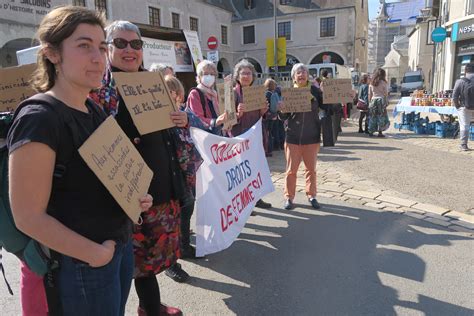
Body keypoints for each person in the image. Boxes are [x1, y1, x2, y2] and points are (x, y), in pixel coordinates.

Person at [7, 7, 152, 315]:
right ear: (52, 53)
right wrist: (95, 254)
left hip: (117, 249)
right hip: (82, 264)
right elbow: (28, 217)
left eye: (101, 47)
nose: (98, 58)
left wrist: (134, 196)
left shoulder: (93, 109)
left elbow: (105, 175)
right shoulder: (39, 118)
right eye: (84, 46)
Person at [90, 20, 188, 316]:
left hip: (161, 186)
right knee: (131, 261)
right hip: (126, 192)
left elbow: (167, 132)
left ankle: (149, 306)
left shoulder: (152, 83)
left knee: (147, 262)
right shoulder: (97, 88)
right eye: (120, 43)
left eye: (135, 44)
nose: (129, 50)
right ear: (107, 48)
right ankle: (149, 308)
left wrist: (180, 121)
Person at [279, 63, 324, 211]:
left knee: (311, 170)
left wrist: (346, 97)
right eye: (298, 72)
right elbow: (283, 116)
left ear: (308, 75)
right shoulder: (289, 93)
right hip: (293, 137)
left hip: (311, 137)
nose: (302, 74)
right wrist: (281, 109)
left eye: (304, 71)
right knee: (291, 170)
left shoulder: (316, 92)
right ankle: (289, 197)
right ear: (293, 76)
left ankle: (312, 196)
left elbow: (329, 107)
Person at [231, 59, 272, 210]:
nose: (246, 76)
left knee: (256, 169)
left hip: (256, 137)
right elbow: (227, 120)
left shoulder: (257, 92)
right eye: (243, 73)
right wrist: (238, 113)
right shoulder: (233, 93)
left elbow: (262, 116)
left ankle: (256, 198)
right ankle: (245, 205)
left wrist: (263, 111)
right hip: (240, 137)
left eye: (249, 73)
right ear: (238, 76)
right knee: (243, 172)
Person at [186, 60, 226, 135]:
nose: (209, 76)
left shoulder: (215, 93)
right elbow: (196, 119)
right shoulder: (195, 93)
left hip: (218, 134)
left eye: (212, 74)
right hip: (205, 136)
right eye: (206, 74)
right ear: (199, 77)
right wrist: (215, 122)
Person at [452, 63, 474, 151]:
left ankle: (464, 145)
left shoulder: (460, 81)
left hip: (465, 107)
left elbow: (454, 96)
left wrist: (458, 106)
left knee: (464, 125)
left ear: (465, 71)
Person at [368, 68, 390, 137]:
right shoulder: (383, 83)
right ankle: (380, 132)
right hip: (381, 100)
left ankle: (371, 131)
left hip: (373, 100)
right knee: (381, 116)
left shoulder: (371, 83)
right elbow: (386, 93)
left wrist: (369, 102)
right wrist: (386, 101)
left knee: (372, 116)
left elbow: (370, 94)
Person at [263, 78, 280, 157]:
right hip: (274, 115)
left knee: (267, 133)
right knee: (272, 132)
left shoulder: (267, 94)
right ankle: (274, 147)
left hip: (268, 116)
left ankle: (268, 150)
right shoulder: (274, 93)